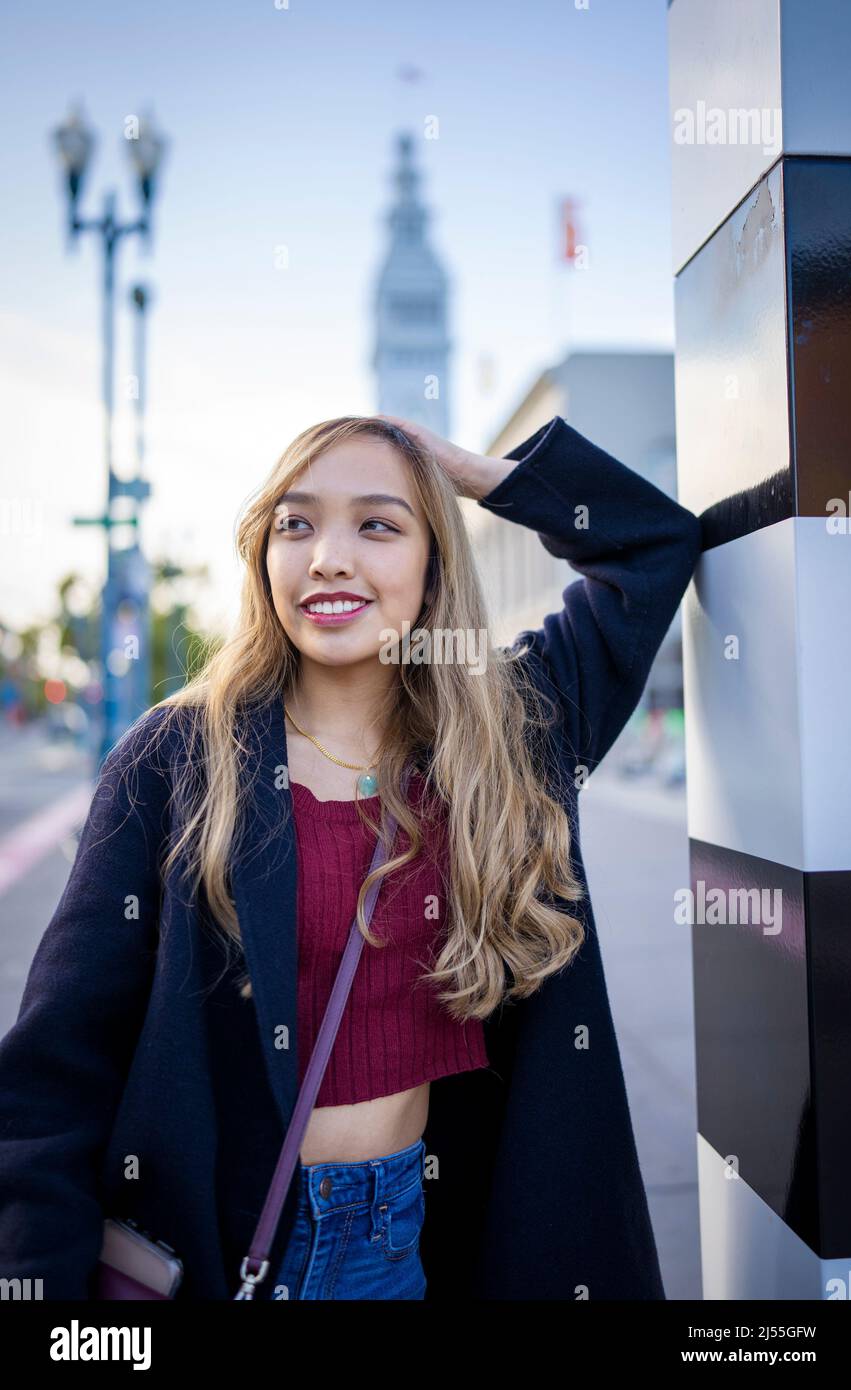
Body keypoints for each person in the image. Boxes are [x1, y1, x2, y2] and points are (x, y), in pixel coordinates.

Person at [0, 412, 702, 1300]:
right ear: (264, 557)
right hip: (219, 1252)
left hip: (405, 1239)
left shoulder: (512, 730)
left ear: (434, 560)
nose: (328, 556)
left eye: (379, 523)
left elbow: (653, 548)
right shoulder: (174, 757)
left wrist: (474, 473)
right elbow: (54, 1072)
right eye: (297, 523)